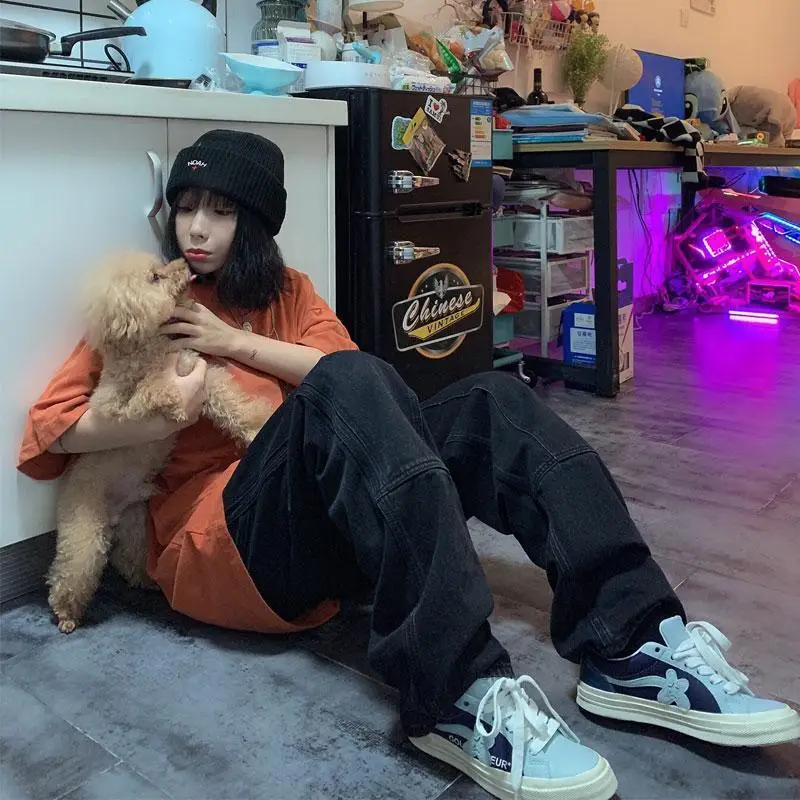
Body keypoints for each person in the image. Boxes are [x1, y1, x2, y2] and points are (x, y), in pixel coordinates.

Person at [18, 131, 799, 800]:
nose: (196, 227)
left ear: (254, 223)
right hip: (224, 547)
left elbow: (353, 383)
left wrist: (234, 343)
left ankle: (632, 642)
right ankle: (454, 690)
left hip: (327, 532)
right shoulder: (152, 303)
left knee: (490, 399)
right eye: (185, 207)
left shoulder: (287, 293)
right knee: (348, 382)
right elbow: (51, 428)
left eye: (220, 211)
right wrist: (161, 415)